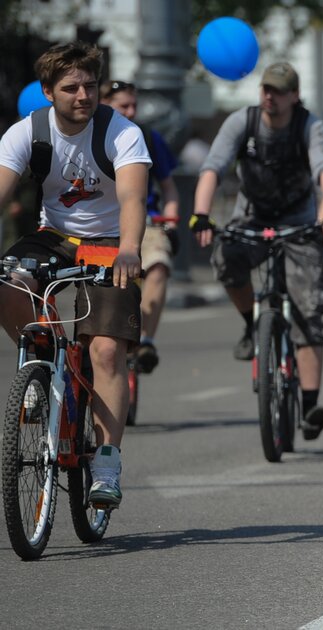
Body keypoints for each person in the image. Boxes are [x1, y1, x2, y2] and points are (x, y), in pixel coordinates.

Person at [0, 42, 151, 506]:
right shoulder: (25, 133)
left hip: (110, 243)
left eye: (91, 85)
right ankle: (42, 358)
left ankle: (106, 462)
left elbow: (131, 199)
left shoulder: (121, 132)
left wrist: (128, 249)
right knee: (6, 281)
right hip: (55, 236)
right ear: (47, 91)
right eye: (71, 87)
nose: (83, 95)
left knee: (105, 351)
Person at [190, 61, 323, 440]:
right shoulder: (242, 121)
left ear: (295, 95)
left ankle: (309, 407)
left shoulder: (309, 125)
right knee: (226, 260)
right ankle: (250, 324)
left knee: (308, 311)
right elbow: (214, 167)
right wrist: (201, 215)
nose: (269, 96)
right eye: (265, 89)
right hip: (252, 217)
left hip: (298, 221)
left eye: (278, 91)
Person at [100, 80, 181, 374]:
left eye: (134, 106)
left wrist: (171, 222)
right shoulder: (87, 134)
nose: (132, 112)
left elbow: (169, 188)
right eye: (124, 106)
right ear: (104, 103)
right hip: (101, 224)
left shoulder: (146, 136)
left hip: (146, 221)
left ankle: (146, 339)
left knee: (158, 264)